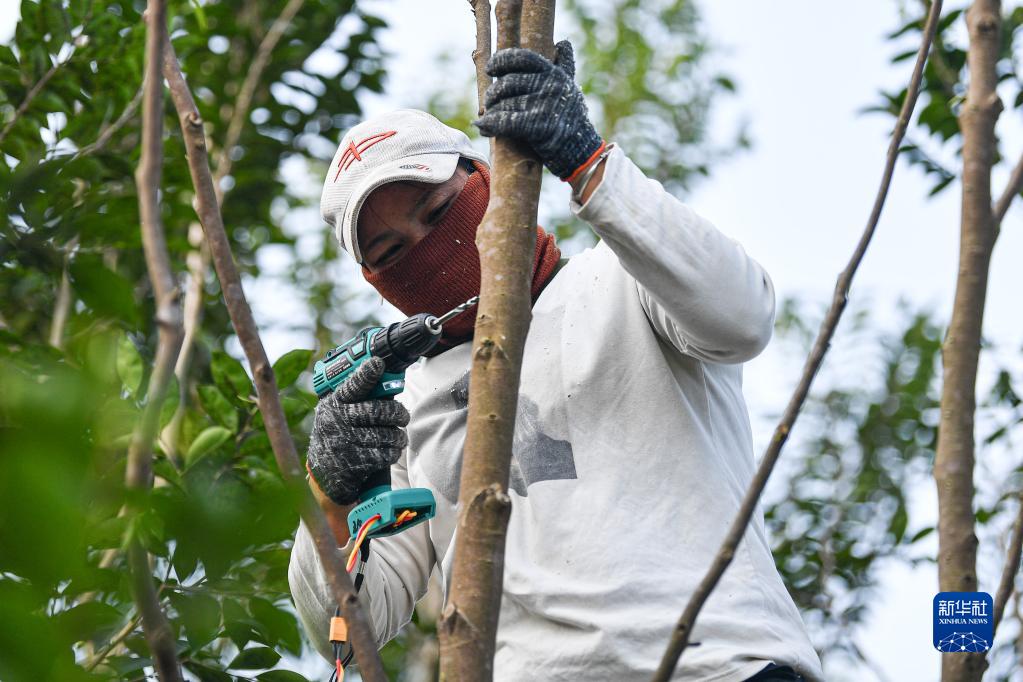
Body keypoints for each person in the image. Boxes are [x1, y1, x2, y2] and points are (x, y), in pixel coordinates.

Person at [289, 40, 824, 681]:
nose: (428, 250)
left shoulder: (627, 284)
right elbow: (348, 634)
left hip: (716, 668)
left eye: (436, 212)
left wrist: (587, 160)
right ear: (374, 280)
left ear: (482, 180)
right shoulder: (399, 414)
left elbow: (743, 318)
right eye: (390, 250)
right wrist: (330, 494)